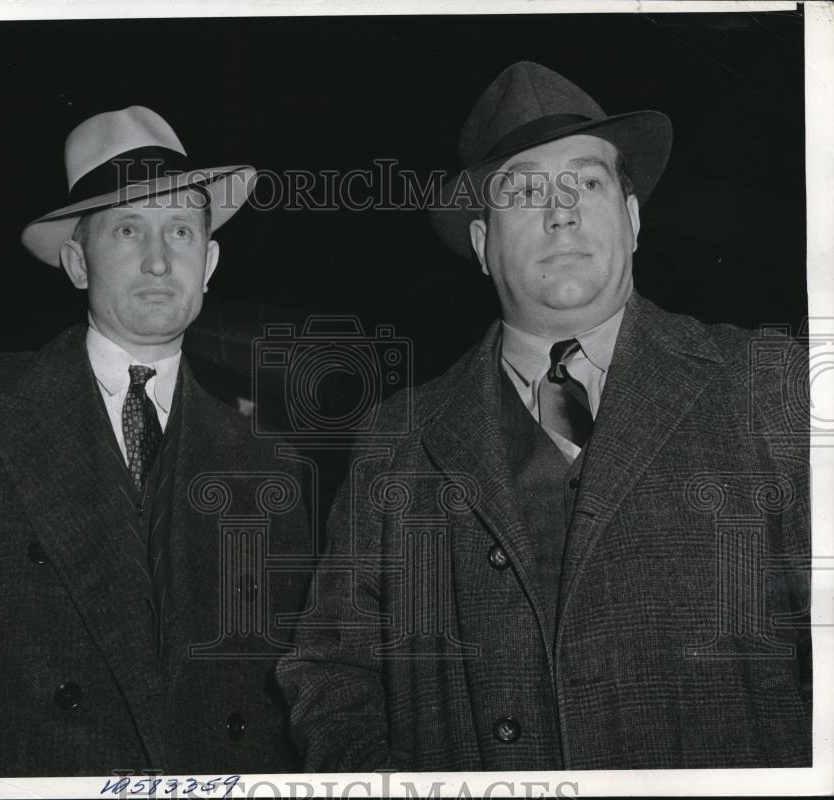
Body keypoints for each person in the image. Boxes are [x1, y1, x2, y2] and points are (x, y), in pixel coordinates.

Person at [276, 62, 811, 770]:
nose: (561, 210)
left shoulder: (766, 386)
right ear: (480, 244)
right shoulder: (396, 442)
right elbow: (330, 672)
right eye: (524, 192)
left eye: (587, 182)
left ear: (633, 218)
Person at [0, 106, 310, 777]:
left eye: (181, 231)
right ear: (77, 263)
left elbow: (285, 695)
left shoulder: (267, 463)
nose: (159, 259)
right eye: (129, 229)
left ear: (209, 261)